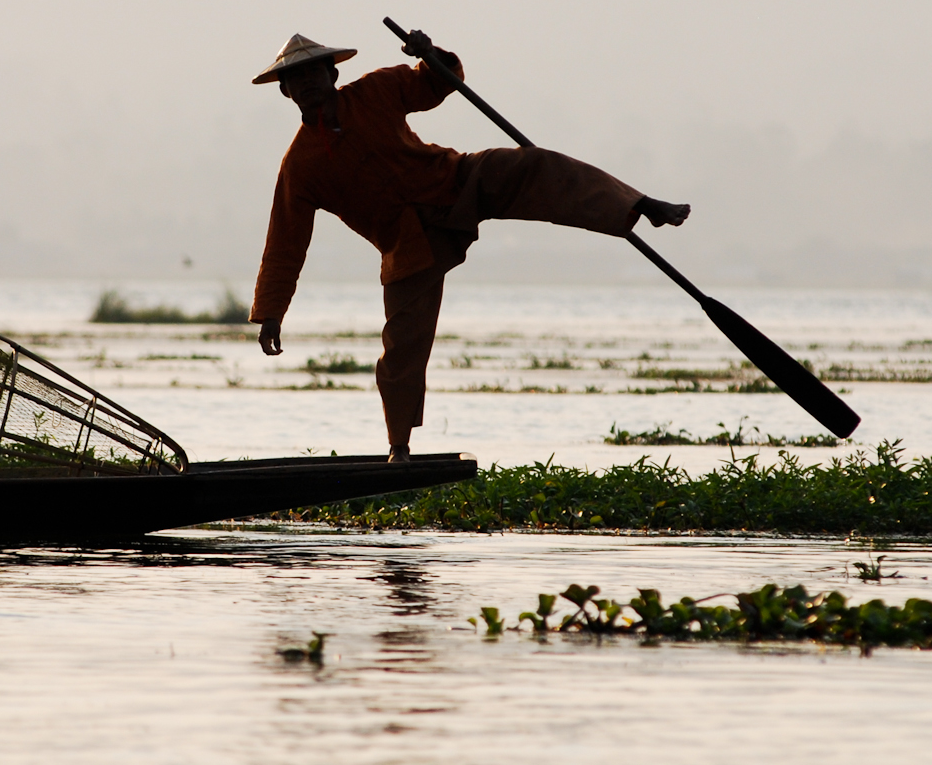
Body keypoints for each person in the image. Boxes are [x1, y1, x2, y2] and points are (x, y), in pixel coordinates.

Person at [248, 30, 689, 462]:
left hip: (455, 182)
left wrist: (430, 53)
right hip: (407, 245)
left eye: (313, 73)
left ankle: (638, 202)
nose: (307, 84)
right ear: (286, 92)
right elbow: (285, 244)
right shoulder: (300, 167)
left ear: (332, 75)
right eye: (297, 79)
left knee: (534, 166)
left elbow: (440, 82)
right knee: (401, 350)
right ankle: (398, 452)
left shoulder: (377, 89)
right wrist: (271, 315)